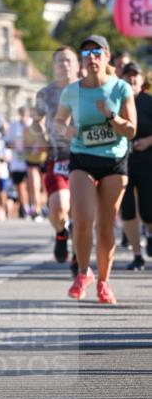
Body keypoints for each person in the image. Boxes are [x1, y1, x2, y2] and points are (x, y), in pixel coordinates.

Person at [54, 34, 136, 303]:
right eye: (86, 54)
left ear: (106, 57)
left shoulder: (121, 88)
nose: (92, 58)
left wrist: (111, 116)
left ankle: (104, 281)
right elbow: (57, 122)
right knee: (82, 220)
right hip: (83, 158)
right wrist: (65, 130)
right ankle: (83, 273)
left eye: (97, 53)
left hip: (114, 161)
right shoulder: (72, 91)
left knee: (105, 226)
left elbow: (131, 130)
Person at [34, 46, 80, 271]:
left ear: (77, 65)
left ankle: (78, 256)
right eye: (60, 61)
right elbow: (36, 121)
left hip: (84, 157)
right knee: (58, 207)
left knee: (80, 212)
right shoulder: (45, 93)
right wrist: (40, 137)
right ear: (54, 66)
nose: (65, 64)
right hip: (57, 156)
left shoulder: (87, 89)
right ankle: (61, 233)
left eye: (69, 60)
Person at [120, 61, 152, 270]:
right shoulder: (116, 101)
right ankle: (137, 254)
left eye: (135, 75)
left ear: (142, 80)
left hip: (147, 162)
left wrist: (148, 141)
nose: (132, 78)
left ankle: (149, 233)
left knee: (148, 211)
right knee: (128, 210)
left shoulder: (149, 102)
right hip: (122, 163)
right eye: (128, 75)